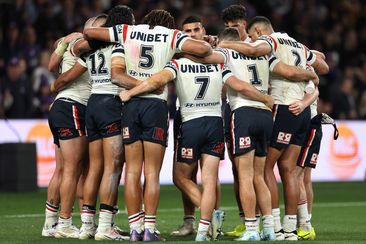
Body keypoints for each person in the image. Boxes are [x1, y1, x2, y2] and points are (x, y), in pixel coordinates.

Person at [83, 9, 213, 242]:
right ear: (169, 25)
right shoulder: (171, 36)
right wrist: (185, 46)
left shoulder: (128, 31)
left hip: (131, 106)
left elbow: (89, 31)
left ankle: (134, 230)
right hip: (155, 107)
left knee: (131, 172)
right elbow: (204, 50)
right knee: (151, 173)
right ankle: (149, 231)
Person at [186, 26, 319, 241]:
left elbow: (202, 58)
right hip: (266, 116)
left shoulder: (225, 53)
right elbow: (288, 71)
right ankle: (269, 228)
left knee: (246, 176)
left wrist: (200, 46)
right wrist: (310, 75)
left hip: (244, 113)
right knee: (261, 175)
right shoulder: (266, 56)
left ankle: (250, 228)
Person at [219, 16, 329, 240]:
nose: (251, 40)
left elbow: (258, 54)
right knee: (290, 170)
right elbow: (323, 67)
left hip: (283, 107)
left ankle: (275, 227)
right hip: (303, 113)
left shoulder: (271, 42)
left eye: (251, 36)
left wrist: (224, 44)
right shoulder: (298, 45)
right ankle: (291, 229)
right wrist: (310, 72)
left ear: (259, 32)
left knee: (265, 168)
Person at [52, 6, 135, 241]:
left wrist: (55, 85)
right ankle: (105, 227)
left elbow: (74, 63)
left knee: (95, 168)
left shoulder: (92, 49)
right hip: (110, 103)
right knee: (113, 167)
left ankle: (87, 226)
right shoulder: (122, 46)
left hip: (93, 105)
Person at [170, 15, 224, 239]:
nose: (191, 34)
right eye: (187, 31)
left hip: (199, 116)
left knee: (202, 175)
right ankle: (192, 222)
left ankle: (208, 218)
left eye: (195, 30)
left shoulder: (214, 53)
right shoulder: (212, 54)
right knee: (190, 174)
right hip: (190, 116)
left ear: (203, 30)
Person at [45, 17, 95, 239]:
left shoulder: (68, 43)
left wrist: (63, 43)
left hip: (62, 106)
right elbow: (57, 68)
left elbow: (51, 65)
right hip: (73, 107)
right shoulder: (81, 41)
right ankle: (65, 223)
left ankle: (50, 224)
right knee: (76, 168)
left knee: (63, 169)